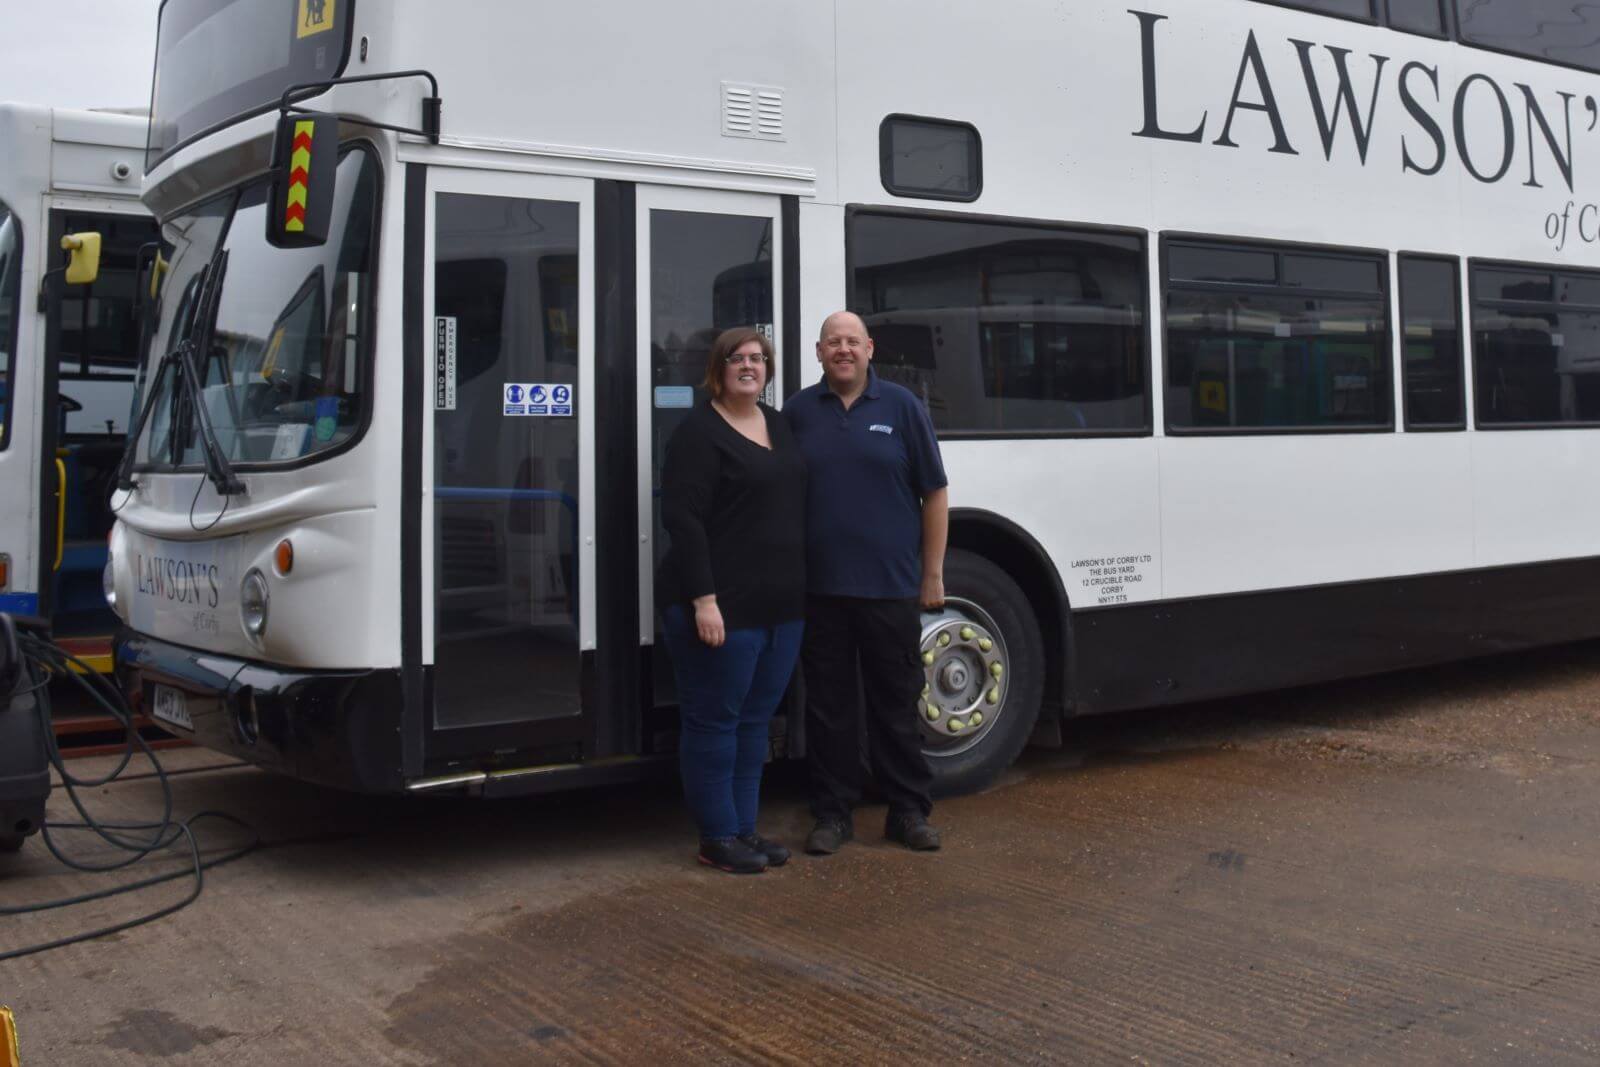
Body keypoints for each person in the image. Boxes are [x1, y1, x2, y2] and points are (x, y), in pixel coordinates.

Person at [784, 310, 949, 854]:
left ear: (870, 348)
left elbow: (935, 492)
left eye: (853, 341)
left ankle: (907, 813)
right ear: (818, 352)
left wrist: (932, 573)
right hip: (821, 590)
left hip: (891, 588)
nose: (844, 350)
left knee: (896, 705)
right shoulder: (799, 412)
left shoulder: (902, 407)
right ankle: (832, 815)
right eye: (834, 342)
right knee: (829, 710)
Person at [657, 326, 807, 874]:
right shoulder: (697, 433)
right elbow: (683, 520)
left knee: (754, 723)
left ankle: (745, 829)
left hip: (780, 608)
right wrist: (704, 600)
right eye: (737, 359)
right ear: (716, 369)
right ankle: (716, 836)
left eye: (757, 358)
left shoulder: (781, 425)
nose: (749, 366)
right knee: (714, 722)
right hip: (720, 606)